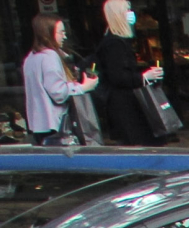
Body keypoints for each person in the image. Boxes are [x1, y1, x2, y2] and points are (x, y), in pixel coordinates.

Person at [23, 14, 98, 144]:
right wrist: (84, 87)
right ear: (48, 33)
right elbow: (58, 92)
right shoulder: (50, 56)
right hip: (56, 124)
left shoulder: (31, 57)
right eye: (61, 32)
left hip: (39, 123)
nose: (65, 36)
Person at [95, 0, 162, 145]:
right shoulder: (114, 44)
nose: (130, 14)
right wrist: (143, 77)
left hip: (127, 104)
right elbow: (118, 76)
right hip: (124, 107)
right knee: (135, 143)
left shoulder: (119, 41)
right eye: (126, 10)